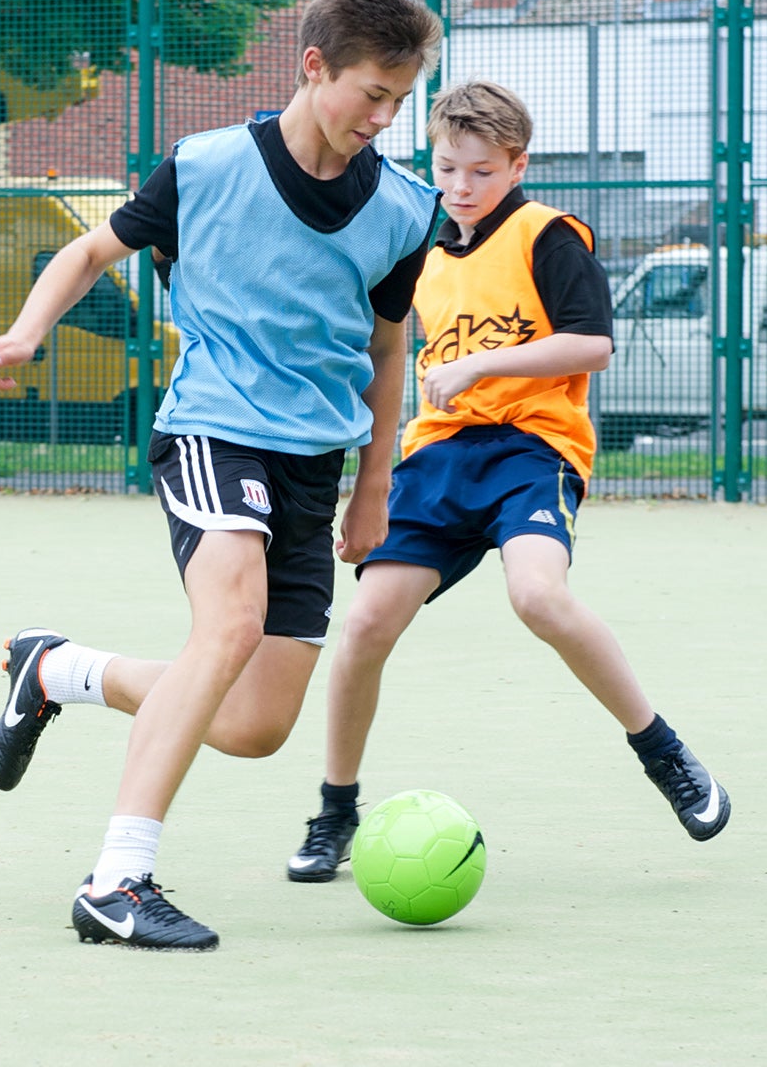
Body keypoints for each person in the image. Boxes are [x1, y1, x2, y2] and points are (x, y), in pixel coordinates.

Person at [0, 0, 444, 951]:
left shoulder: (402, 210)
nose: (382, 117)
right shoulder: (207, 166)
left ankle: (57, 670)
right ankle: (117, 882)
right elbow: (87, 254)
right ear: (313, 69)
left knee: (252, 725)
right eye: (369, 92)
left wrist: (373, 486)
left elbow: (388, 350)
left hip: (316, 463)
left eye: (398, 100)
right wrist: (23, 335)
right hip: (212, 433)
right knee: (223, 629)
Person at [282, 80, 728, 880]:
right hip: (438, 456)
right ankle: (335, 810)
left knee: (538, 597)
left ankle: (664, 753)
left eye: (482, 172)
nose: (461, 187)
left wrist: (484, 363)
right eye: (448, 169)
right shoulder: (415, 243)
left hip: (531, 448)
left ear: (517, 165)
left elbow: (592, 346)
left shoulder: (546, 236)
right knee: (365, 627)